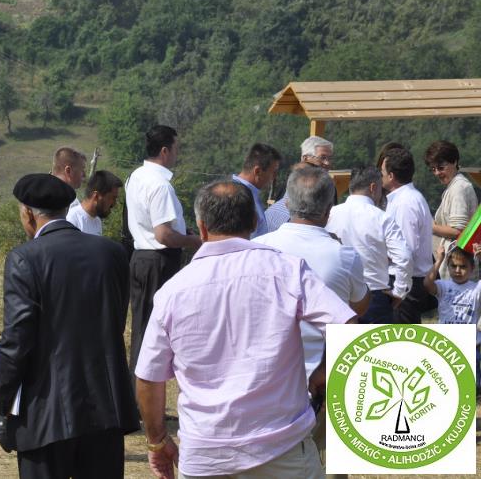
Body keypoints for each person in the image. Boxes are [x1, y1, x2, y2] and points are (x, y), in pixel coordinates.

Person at [136, 180, 357, 479]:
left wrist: (157, 440)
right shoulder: (287, 270)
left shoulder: (172, 292)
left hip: (206, 454)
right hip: (283, 448)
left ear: (201, 228)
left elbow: (149, 378)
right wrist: (323, 370)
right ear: (254, 221)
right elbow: (348, 327)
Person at [0, 174, 140, 479]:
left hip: (46, 411)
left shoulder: (25, 258)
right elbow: (114, 321)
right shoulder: (112, 253)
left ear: (27, 212)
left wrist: (2, 401)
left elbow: (17, 340)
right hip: (106, 405)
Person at [254, 166, 368, 477]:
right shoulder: (344, 255)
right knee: (328, 461)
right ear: (329, 210)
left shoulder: (259, 248)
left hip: (266, 381)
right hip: (323, 377)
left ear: (287, 204)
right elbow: (359, 306)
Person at [125, 125, 200, 378]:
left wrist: (182, 231)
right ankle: (141, 391)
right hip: (158, 260)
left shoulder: (136, 176)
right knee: (152, 332)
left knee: (142, 327)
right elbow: (163, 234)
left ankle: (136, 390)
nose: (178, 154)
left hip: (141, 257)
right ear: (165, 151)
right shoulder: (160, 185)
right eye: (176, 149)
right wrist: (194, 241)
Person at [326, 167, 412, 324]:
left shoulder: (330, 214)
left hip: (338, 295)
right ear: (373, 187)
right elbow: (404, 257)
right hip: (374, 296)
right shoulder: (382, 218)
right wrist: (400, 291)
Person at [381, 147, 434, 324]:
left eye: (382, 172)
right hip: (407, 280)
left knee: (402, 338)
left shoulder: (405, 203)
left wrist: (399, 290)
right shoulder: (407, 198)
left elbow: (406, 251)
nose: (380, 176)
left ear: (391, 176)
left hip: (405, 282)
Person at [424, 140, 478, 279]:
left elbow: (457, 231)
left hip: (457, 268)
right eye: (433, 169)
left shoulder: (459, 188)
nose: (437, 173)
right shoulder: (455, 186)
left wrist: (431, 226)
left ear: (454, 162)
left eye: (441, 167)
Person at [425, 244, 481, 333]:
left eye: (463, 266)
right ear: (448, 266)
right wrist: (439, 260)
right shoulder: (443, 286)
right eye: (454, 266)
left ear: (472, 268)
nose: (457, 270)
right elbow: (427, 283)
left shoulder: (476, 288)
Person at [232, 142, 282, 238]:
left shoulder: (250, 194)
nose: (275, 177)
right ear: (257, 171)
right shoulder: (236, 197)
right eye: (273, 172)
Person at [66, 170, 123, 236]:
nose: (114, 203)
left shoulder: (97, 221)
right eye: (112, 198)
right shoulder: (72, 220)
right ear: (96, 196)